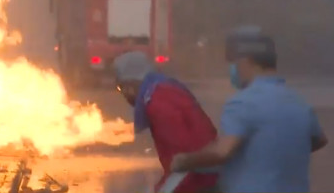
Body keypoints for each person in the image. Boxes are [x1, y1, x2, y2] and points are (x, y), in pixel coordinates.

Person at [170, 27, 328, 193]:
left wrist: (185, 161)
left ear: (245, 61)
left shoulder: (243, 102)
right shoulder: (298, 102)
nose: (232, 69)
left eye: (233, 63)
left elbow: (222, 152)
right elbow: (320, 140)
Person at [113, 51, 219, 193]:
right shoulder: (163, 89)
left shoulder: (158, 102)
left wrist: (162, 190)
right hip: (204, 177)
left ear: (131, 83)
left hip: (200, 183)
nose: (123, 94)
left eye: (121, 88)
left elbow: (182, 160)